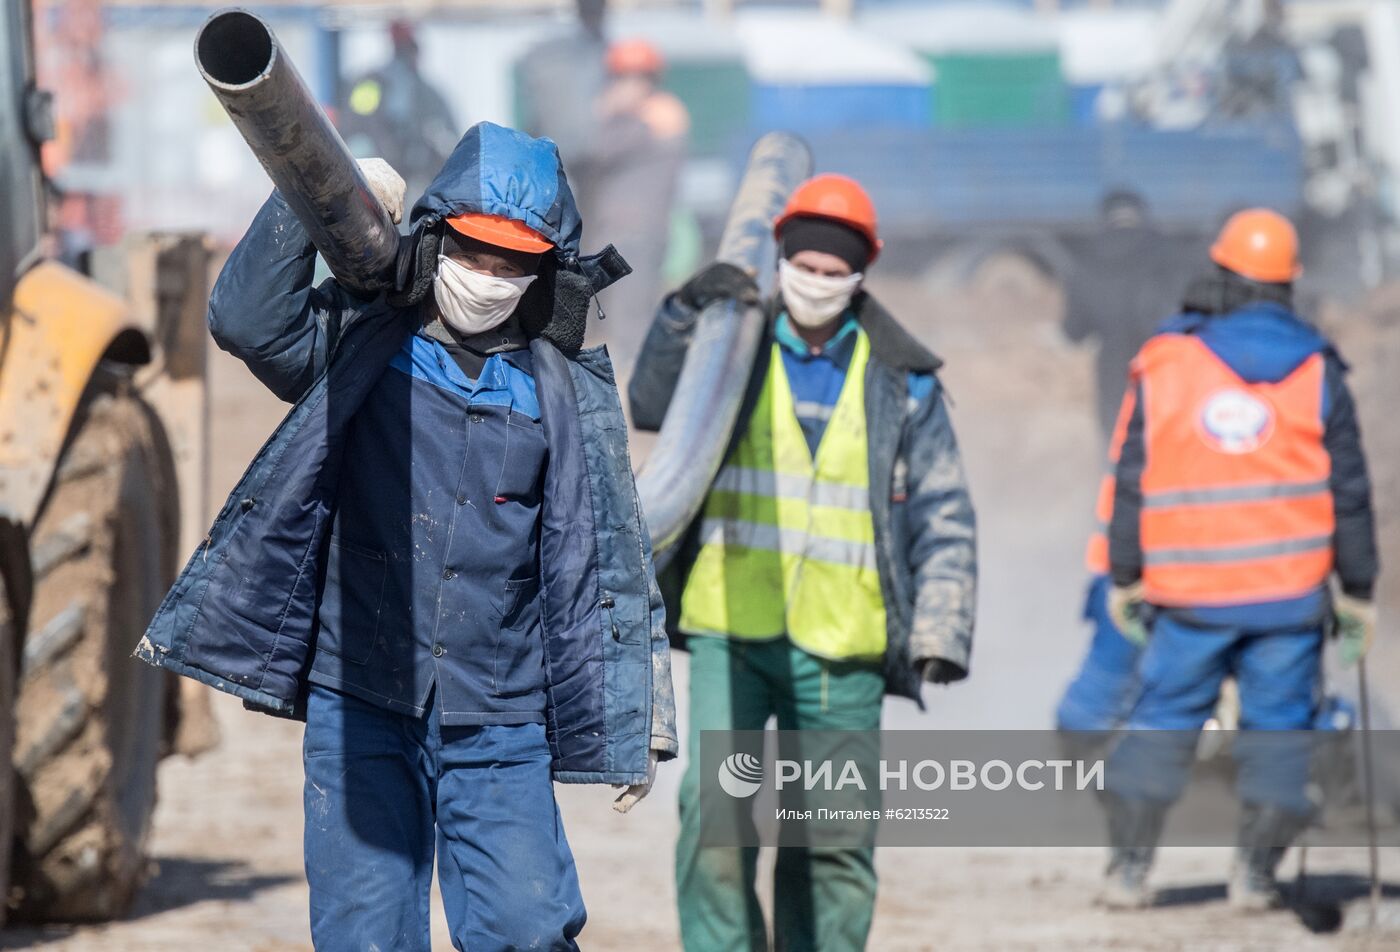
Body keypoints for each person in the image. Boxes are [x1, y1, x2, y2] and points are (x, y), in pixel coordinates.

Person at [135, 122, 678, 951]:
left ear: (545, 270)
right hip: (359, 706)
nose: (489, 277)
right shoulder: (360, 343)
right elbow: (245, 322)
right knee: (366, 938)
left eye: (513, 262)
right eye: (474, 251)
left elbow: (604, 561)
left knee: (528, 930)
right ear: (435, 239)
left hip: (499, 720)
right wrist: (311, 201)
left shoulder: (561, 391)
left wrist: (641, 709)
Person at [630, 174, 977, 951]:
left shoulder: (902, 379)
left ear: (862, 273)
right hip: (733, 629)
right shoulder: (732, 347)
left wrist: (942, 629)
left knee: (832, 842)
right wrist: (687, 311)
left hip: (844, 646)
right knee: (717, 825)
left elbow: (944, 511)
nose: (817, 282)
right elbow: (651, 403)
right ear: (780, 259)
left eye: (835, 270)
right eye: (805, 265)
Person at [1099, 208, 1378, 911]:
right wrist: (1358, 589)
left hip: (1188, 595)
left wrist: (1125, 574)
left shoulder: (1165, 360)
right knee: (1281, 737)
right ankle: (1254, 877)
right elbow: (1349, 490)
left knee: (1161, 727)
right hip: (1288, 598)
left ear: (1220, 270)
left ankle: (1128, 872)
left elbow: (1132, 474)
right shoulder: (1319, 368)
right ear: (1290, 284)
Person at [587, 38, 689, 372]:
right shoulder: (645, 116)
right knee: (619, 311)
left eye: (634, 78)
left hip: (638, 230)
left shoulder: (656, 116)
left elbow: (598, 151)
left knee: (631, 315)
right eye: (621, 78)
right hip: (623, 228)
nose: (625, 86)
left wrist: (607, 113)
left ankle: (633, 380)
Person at [1062, 191, 1194, 441]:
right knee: (1166, 443)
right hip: (1164, 363)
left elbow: (1074, 332)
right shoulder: (1170, 253)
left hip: (1114, 370)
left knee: (1117, 445)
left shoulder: (1088, 260)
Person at [340, 20, 459, 200]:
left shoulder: (426, 92)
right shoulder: (373, 83)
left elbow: (448, 136)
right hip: (378, 173)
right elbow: (355, 120)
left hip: (412, 175)